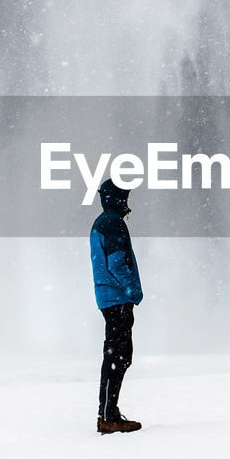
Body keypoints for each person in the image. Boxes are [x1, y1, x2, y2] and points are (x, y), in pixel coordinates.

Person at [90, 178, 143, 434]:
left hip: (109, 297)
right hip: (117, 298)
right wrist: (133, 289)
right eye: (124, 196)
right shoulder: (113, 223)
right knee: (118, 357)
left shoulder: (104, 221)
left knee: (116, 356)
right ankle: (108, 416)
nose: (127, 201)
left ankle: (108, 413)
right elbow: (116, 263)